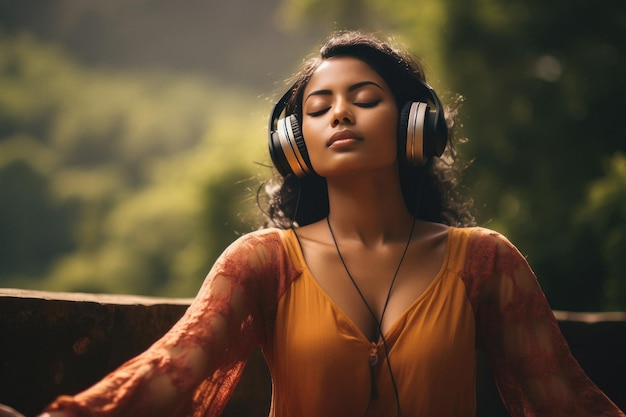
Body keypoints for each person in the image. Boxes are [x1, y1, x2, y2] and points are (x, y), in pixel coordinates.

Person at [36, 31, 623, 417]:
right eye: (317, 109)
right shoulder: (261, 262)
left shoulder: (487, 262)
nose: (339, 112)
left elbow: (562, 399)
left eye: (364, 98)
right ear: (297, 145)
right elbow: (172, 372)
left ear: (415, 122)